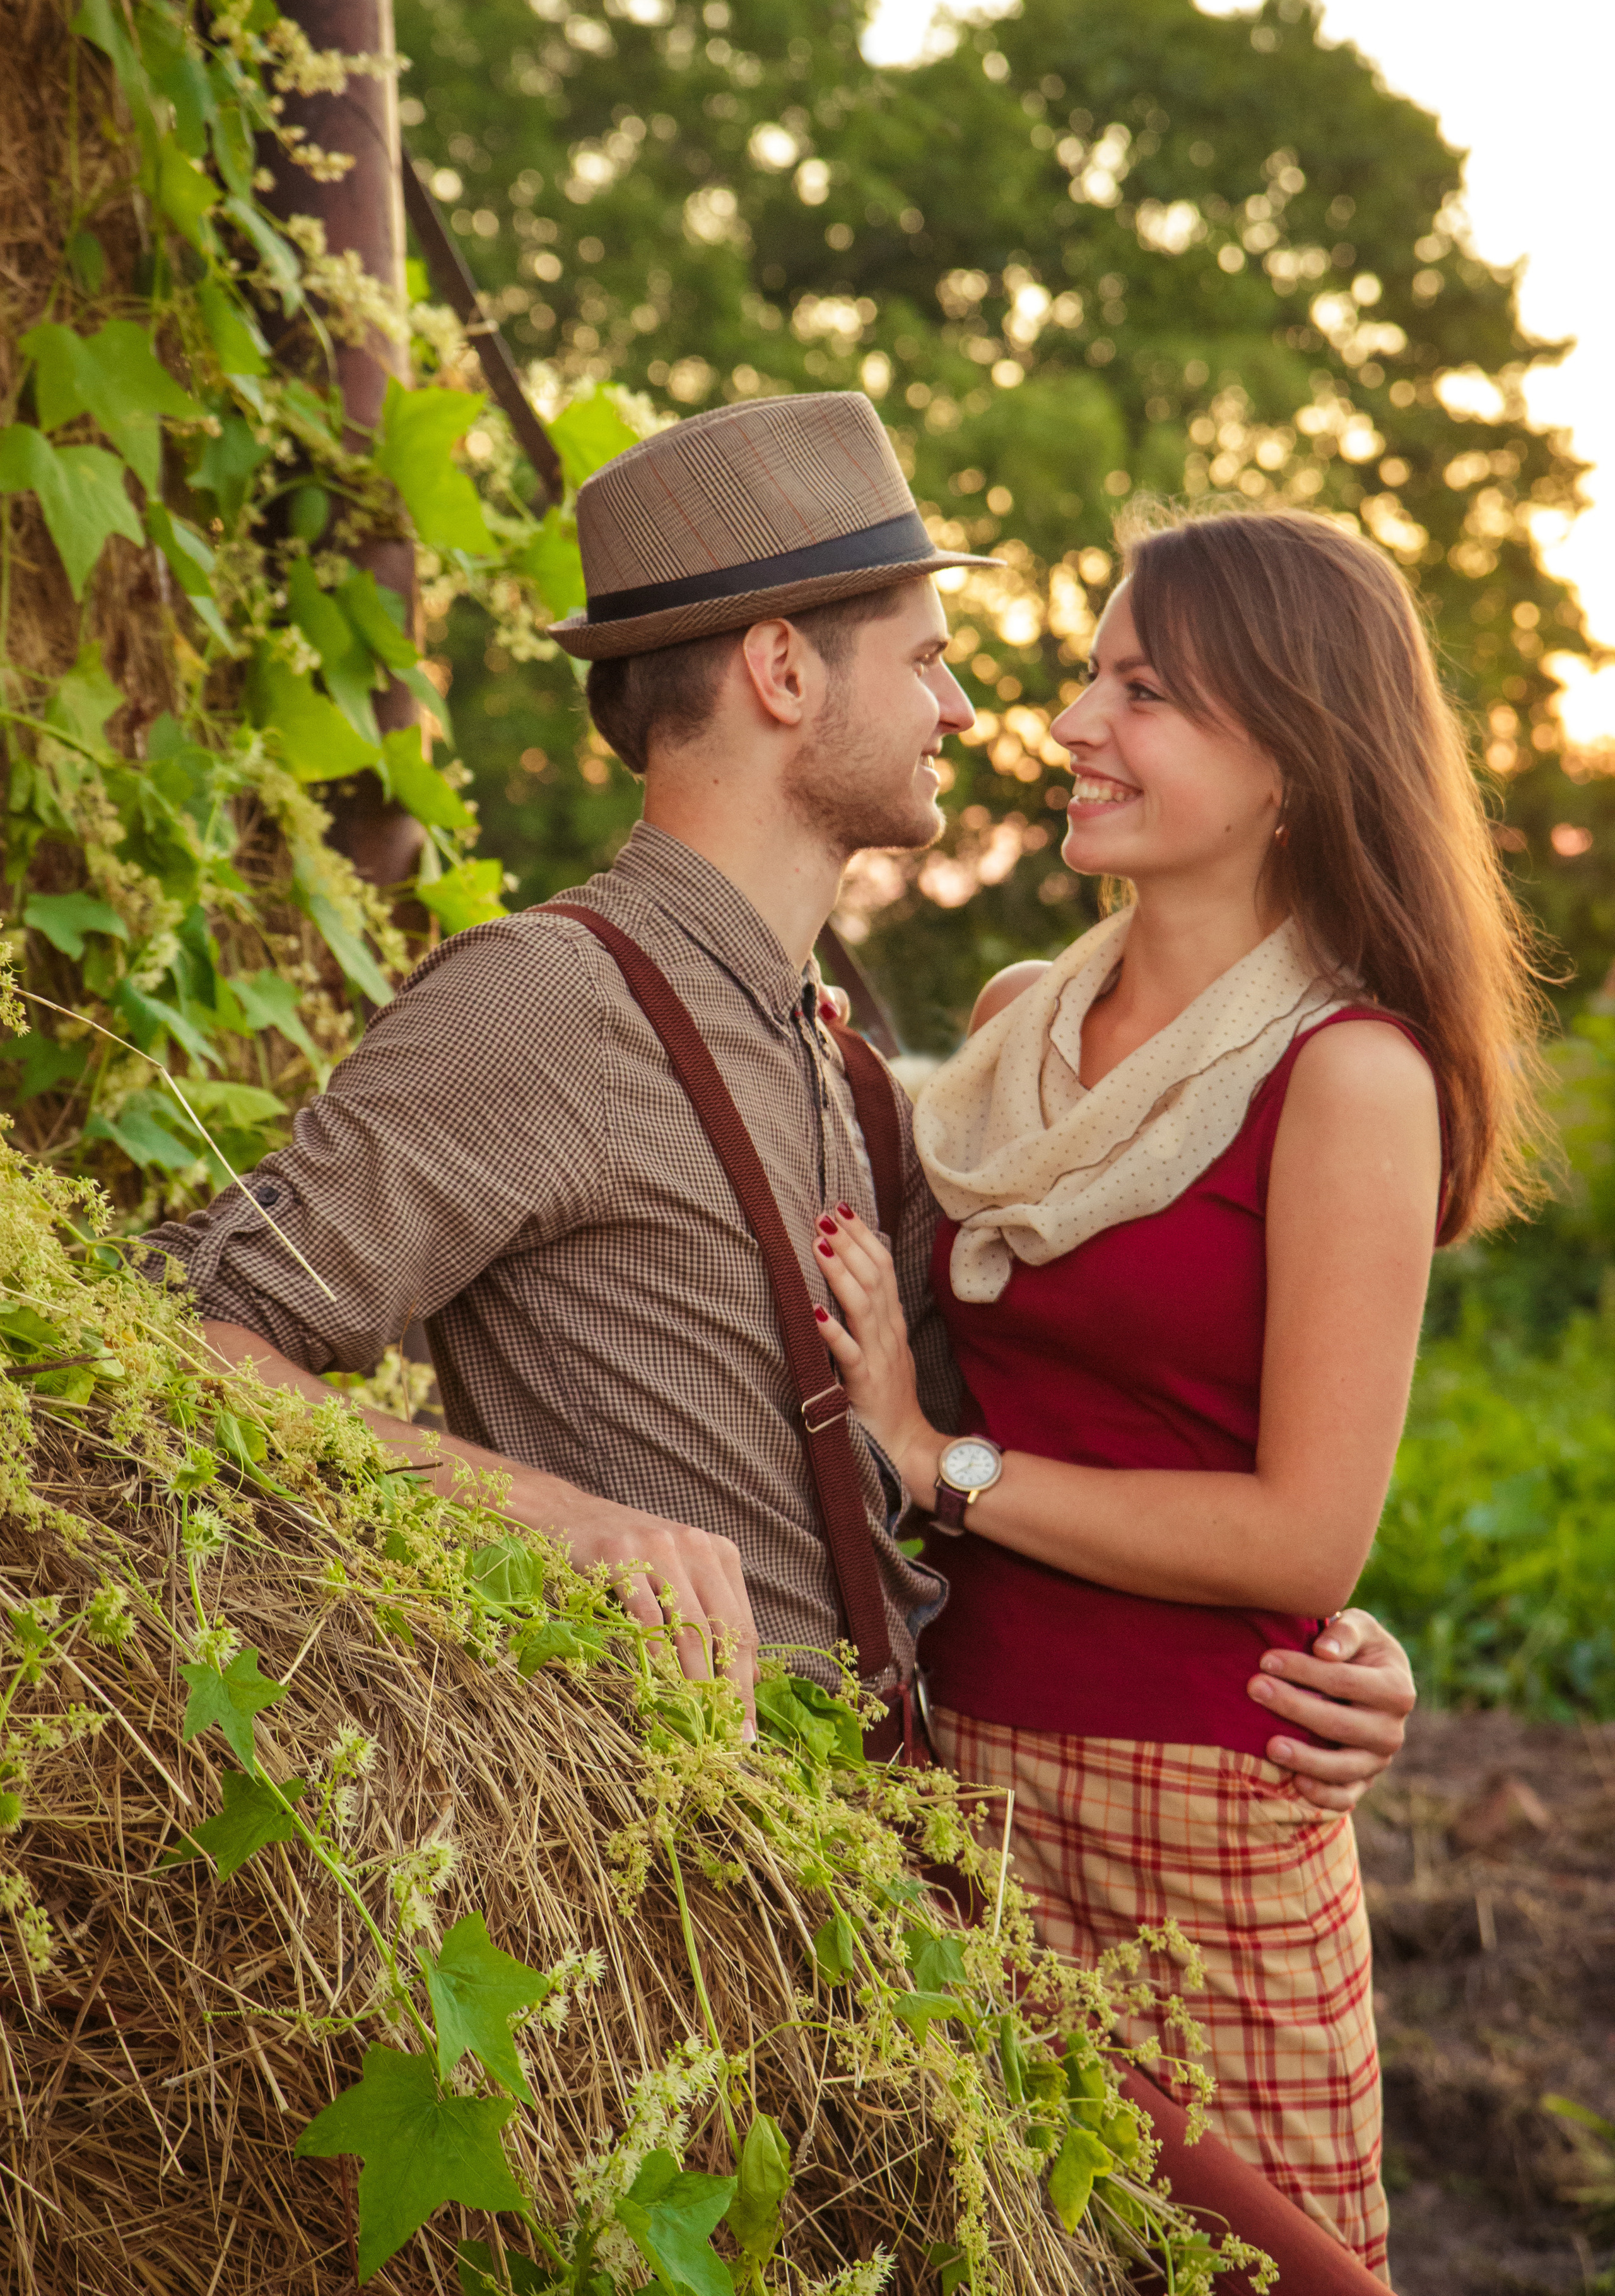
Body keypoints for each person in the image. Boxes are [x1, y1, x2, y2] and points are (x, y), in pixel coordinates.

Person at [141, 400, 1414, 2267]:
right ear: (782, 673)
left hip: (904, 1905)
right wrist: (539, 1516)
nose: (972, 711)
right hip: (668, 1918)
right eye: (928, 659)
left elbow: (1008, 1451)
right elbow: (186, 1331)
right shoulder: (546, 1004)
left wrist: (1322, 1627)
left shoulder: (848, 1065)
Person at [806, 500, 1543, 2279]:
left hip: (1202, 1822)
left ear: (1290, 755)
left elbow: (1305, 1538)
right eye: (1090, 676)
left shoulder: (1349, 1075)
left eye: (1142, 692)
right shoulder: (1015, 1023)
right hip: (957, 1772)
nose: (1073, 723)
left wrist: (939, 1460)